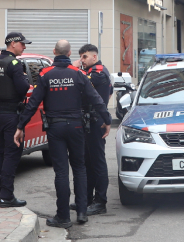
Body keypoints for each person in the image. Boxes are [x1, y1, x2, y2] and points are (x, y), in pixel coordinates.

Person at [15, 40, 110, 229]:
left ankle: (63, 216)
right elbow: (95, 98)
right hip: (76, 127)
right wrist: (107, 120)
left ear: (54, 52)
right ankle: (82, 211)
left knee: (61, 172)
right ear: (69, 54)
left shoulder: (45, 74)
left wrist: (20, 125)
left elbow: (33, 102)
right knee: (80, 168)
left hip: (55, 128)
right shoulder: (79, 74)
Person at [0, 32, 32, 208]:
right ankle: (7, 196)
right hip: (12, 113)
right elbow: (23, 87)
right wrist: (26, 83)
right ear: (13, 44)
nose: (24, 47)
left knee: (1, 154)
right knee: (12, 155)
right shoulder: (14, 63)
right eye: (22, 44)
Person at [78, 43, 113, 216]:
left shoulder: (97, 73)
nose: (82, 60)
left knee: (97, 162)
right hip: (90, 119)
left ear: (94, 56)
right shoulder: (95, 71)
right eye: (81, 56)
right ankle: (87, 200)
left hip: (96, 120)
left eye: (85, 57)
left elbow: (83, 84)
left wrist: (74, 69)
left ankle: (100, 201)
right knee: (88, 162)